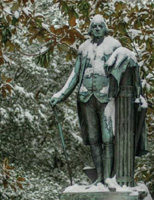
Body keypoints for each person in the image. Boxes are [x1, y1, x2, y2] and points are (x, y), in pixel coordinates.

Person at [50, 15, 121, 184]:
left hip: (106, 97)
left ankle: (108, 178)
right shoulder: (83, 48)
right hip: (86, 97)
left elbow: (122, 71)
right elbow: (75, 74)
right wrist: (61, 95)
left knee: (108, 138)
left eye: (100, 26)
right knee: (94, 139)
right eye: (94, 26)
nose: (97, 28)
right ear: (90, 29)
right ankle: (99, 178)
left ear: (105, 27)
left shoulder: (114, 45)